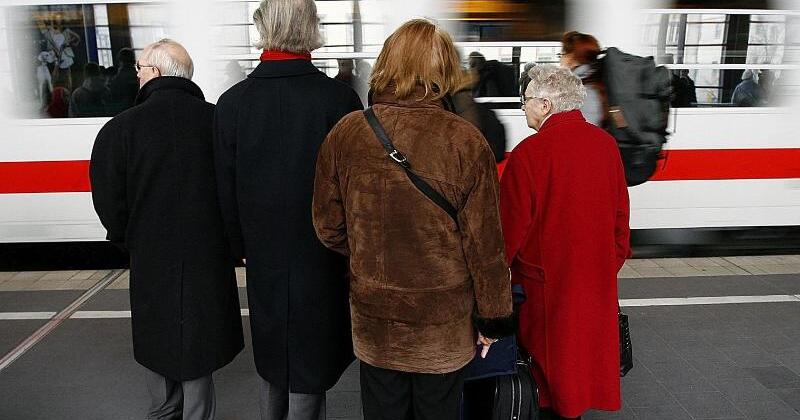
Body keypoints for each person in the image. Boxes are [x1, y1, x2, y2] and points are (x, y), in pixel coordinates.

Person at [312, 19, 514, 420]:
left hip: (376, 322)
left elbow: (328, 227)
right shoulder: (465, 141)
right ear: (443, 70)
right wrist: (493, 319)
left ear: (388, 63)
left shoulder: (347, 133)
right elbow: (486, 247)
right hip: (442, 327)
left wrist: (371, 254)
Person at [213, 1, 362, 419]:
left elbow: (225, 186)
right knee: (314, 354)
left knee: (273, 345)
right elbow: (353, 186)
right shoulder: (339, 98)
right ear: (311, 29)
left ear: (262, 28)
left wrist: (239, 245)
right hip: (323, 253)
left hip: (263, 253)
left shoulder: (232, 103)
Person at [89, 39, 244, 420]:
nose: (136, 73)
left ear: (155, 73)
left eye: (140, 67)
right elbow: (237, 189)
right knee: (200, 340)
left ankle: (163, 411)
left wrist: (128, 237)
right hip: (207, 256)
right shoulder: (217, 122)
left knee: (157, 334)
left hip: (151, 255)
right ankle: (197, 413)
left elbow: (108, 199)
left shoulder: (120, 129)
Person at [501, 64, 630, 419]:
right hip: (595, 287)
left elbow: (508, 236)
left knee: (549, 384)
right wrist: (602, 267)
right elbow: (621, 226)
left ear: (545, 105)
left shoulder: (529, 154)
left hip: (545, 292)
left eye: (526, 100)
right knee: (580, 377)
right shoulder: (606, 145)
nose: (522, 107)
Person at [559, 31, 605, 126]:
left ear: (571, 56)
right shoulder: (594, 80)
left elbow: (587, 126)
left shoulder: (581, 88)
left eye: (562, 54)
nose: (560, 59)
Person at [109, 47, 140, 113]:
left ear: (120, 60)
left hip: (122, 110)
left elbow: (113, 96)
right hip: (138, 108)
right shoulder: (139, 76)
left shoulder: (117, 79)